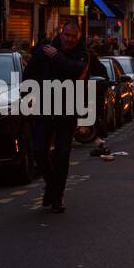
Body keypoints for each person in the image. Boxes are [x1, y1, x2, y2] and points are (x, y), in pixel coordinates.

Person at [24, 19, 91, 213]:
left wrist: (56, 56)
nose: (69, 40)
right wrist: (27, 95)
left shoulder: (83, 55)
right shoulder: (43, 51)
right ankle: (52, 185)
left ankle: (57, 196)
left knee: (62, 153)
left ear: (78, 38)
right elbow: (29, 73)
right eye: (66, 35)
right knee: (38, 151)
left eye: (73, 37)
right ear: (61, 34)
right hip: (44, 107)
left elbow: (76, 71)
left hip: (68, 109)